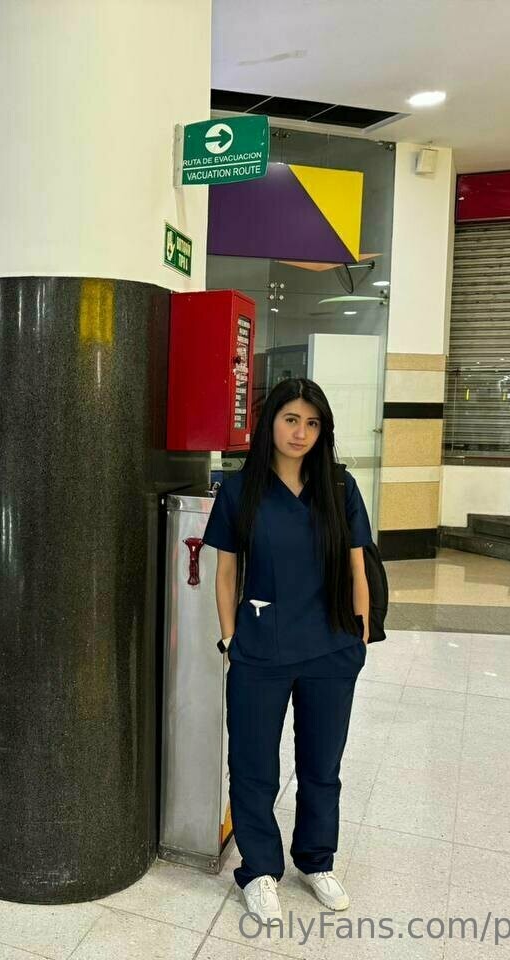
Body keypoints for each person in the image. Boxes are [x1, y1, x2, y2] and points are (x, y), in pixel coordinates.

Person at [203, 377, 373, 925]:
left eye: (312, 423)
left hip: (331, 648)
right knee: (253, 766)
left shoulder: (340, 487)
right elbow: (225, 572)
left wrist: (360, 631)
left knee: (322, 765)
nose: (301, 433)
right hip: (261, 649)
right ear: (270, 423)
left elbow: (357, 564)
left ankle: (316, 860)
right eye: (291, 420)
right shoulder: (241, 490)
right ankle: (258, 870)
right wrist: (230, 637)